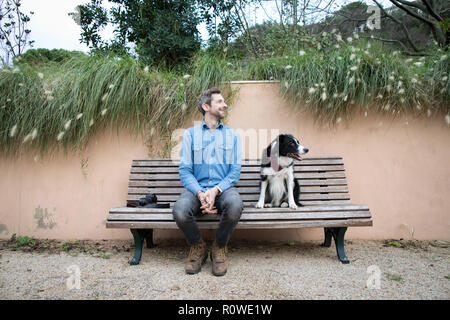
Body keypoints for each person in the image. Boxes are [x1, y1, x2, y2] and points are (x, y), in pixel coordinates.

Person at [173, 87, 243, 276]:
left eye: (224, 101)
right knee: (180, 210)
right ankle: (198, 247)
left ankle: (219, 247)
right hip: (197, 189)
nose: (225, 105)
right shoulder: (190, 135)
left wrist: (215, 191)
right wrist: (200, 193)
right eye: (219, 102)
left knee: (235, 204)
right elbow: (185, 170)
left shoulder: (233, 135)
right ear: (206, 106)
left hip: (223, 190)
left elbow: (235, 172)